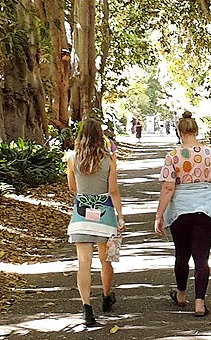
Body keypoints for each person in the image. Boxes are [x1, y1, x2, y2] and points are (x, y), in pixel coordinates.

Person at [154, 112, 211, 317]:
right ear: (196, 131)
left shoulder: (172, 156)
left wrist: (159, 215)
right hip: (206, 207)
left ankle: (181, 295)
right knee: (202, 257)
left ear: (179, 133)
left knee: (182, 254)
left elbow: (168, 188)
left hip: (180, 210)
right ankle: (199, 303)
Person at [66, 118, 126, 327]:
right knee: (106, 260)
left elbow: (72, 188)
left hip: (81, 214)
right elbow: (114, 190)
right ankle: (106, 296)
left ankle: (86, 308)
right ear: (100, 136)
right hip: (105, 214)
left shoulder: (73, 159)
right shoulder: (108, 160)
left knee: (84, 262)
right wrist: (120, 216)